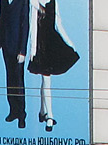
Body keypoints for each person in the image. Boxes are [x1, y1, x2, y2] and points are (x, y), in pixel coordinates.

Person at [27, 0, 78, 131]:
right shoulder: (34, 4)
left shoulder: (54, 2)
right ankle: (50, 116)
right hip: (41, 46)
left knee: (45, 80)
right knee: (46, 80)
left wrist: (69, 42)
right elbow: (32, 27)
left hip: (52, 45)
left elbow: (58, 24)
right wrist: (33, 50)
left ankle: (42, 111)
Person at [0, 0, 31, 129]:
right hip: (5, 44)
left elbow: (25, 25)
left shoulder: (23, 1)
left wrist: (23, 50)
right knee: (9, 79)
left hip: (17, 47)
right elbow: (1, 17)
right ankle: (13, 111)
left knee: (18, 80)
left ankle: (21, 114)